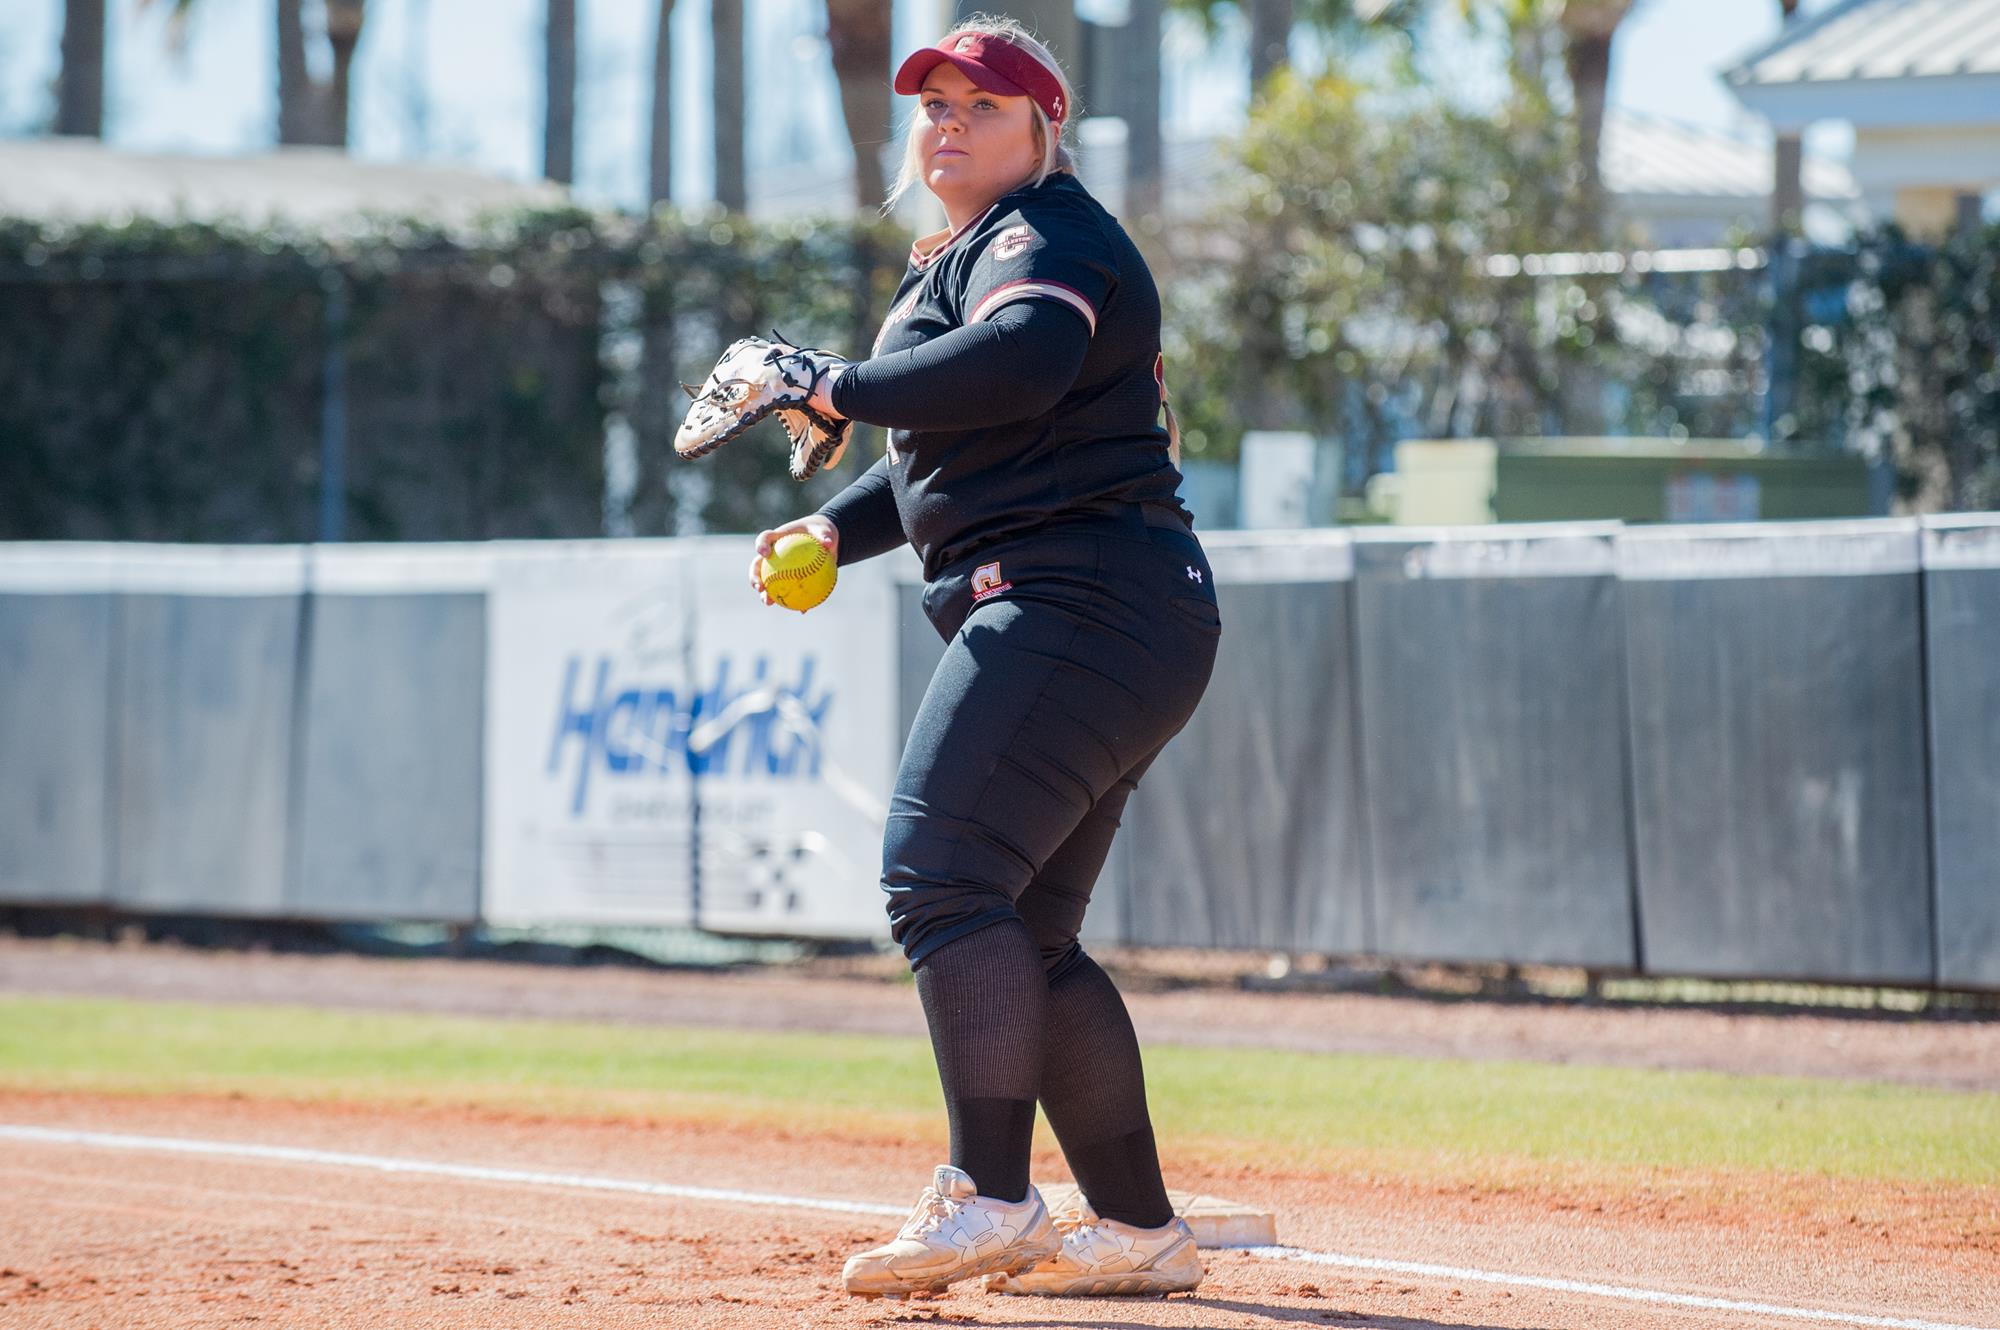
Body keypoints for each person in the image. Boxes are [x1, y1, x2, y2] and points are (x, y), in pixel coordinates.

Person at [747, 17, 1221, 1301]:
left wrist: (835, 383)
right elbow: (958, 450)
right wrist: (830, 532)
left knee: (937, 874)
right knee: (1020, 929)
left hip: (1080, 599)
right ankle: (1135, 1227)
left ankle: (992, 1197)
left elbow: (1022, 363)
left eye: (984, 104)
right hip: (1116, 604)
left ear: (1040, 128)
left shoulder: (1045, 234)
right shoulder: (957, 258)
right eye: (934, 103)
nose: (950, 122)